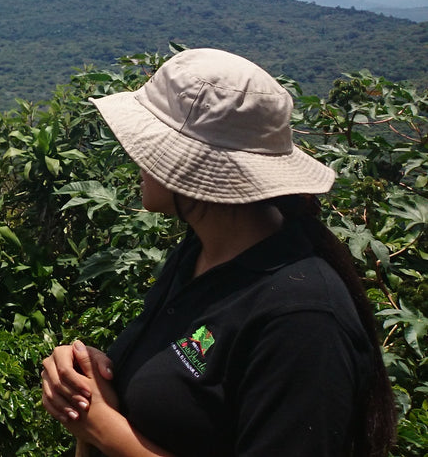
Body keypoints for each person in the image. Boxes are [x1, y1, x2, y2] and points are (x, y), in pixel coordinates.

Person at [40, 48, 395, 457]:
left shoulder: (303, 321)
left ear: (192, 165)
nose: (135, 157)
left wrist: (104, 428)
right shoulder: (199, 253)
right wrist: (90, 377)